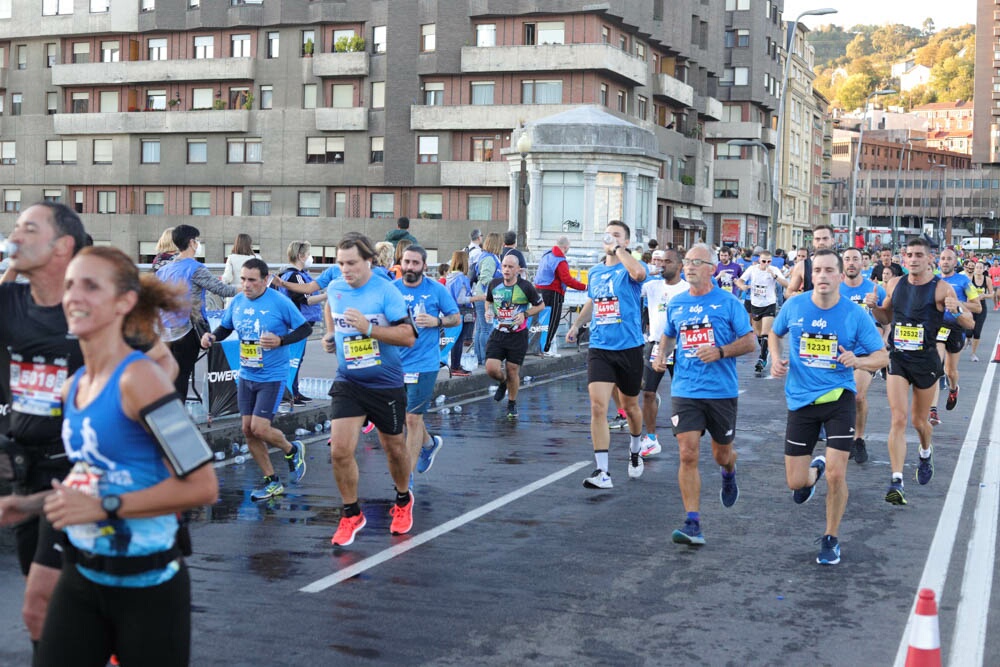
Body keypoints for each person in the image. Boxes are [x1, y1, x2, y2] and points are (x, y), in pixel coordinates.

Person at [0, 203, 179, 659]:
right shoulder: (10, 300)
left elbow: (165, 363)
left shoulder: (93, 307)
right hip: (27, 470)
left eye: (27, 228)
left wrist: (114, 408)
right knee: (42, 607)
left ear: (62, 246)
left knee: (41, 604)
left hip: (82, 471)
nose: (14, 235)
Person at [32, 246, 218, 667]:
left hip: (148, 585)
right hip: (81, 575)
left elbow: (203, 485)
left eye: (91, 286)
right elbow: (99, 468)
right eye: (69, 286)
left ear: (124, 302)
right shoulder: (74, 385)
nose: (74, 296)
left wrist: (103, 506)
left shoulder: (142, 380)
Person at [770, 250, 888, 565]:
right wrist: (774, 356)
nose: (822, 276)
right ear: (812, 276)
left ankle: (831, 538)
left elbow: (882, 356)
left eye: (828, 270)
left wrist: (858, 360)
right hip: (801, 401)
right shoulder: (795, 305)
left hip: (839, 399)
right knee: (796, 483)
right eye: (817, 270)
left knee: (838, 475)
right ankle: (814, 470)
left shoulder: (855, 314)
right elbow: (774, 331)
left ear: (839, 276)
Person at [652, 244, 756, 545]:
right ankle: (693, 522)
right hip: (686, 389)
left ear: (712, 268)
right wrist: (662, 355)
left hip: (721, 391)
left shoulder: (728, 303)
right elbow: (670, 333)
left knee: (721, 454)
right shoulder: (678, 302)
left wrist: (721, 351)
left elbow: (750, 342)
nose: (689, 267)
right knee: (687, 453)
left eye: (696, 262)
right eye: (687, 262)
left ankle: (729, 471)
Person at [323, 233, 416, 547]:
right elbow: (331, 310)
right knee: (339, 451)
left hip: (386, 384)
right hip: (349, 381)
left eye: (351, 263)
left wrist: (369, 329)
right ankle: (351, 514)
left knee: (394, 449)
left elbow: (408, 336)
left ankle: (403, 500)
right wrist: (331, 334)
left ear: (369, 262)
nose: (345, 270)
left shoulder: (386, 291)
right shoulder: (335, 288)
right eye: (340, 263)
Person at [871, 238, 974, 505]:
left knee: (919, 422)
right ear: (904, 259)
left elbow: (969, 322)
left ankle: (926, 452)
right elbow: (886, 318)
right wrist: (874, 307)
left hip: (927, 362)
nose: (913, 259)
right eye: (909, 255)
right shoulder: (895, 284)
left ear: (930, 259)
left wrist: (958, 309)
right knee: (898, 419)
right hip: (899, 359)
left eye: (919, 255)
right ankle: (896, 480)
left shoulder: (942, 288)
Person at [200, 258, 310, 501]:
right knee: (247, 431)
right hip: (247, 373)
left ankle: (292, 450)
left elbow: (305, 329)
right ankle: (272, 481)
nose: (246, 285)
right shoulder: (238, 301)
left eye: (252, 280)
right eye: (243, 279)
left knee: (259, 428)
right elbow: (226, 327)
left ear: (265, 279)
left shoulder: (279, 302)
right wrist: (212, 337)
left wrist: (281, 341)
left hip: (271, 375)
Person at [566, 221, 647, 489]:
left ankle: (635, 450)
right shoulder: (597, 272)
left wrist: (620, 250)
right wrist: (577, 325)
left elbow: (638, 275)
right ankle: (603, 472)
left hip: (629, 347)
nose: (611, 239)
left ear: (626, 241)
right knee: (598, 407)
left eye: (617, 235)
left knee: (631, 406)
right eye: (608, 235)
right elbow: (593, 300)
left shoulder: (630, 267)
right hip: (601, 347)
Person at [392, 245, 460, 472]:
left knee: (412, 419)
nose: (409, 266)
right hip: (395, 364)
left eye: (414, 262)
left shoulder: (435, 290)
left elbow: (456, 318)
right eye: (406, 262)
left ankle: (406, 480)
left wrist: (436, 322)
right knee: (403, 417)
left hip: (424, 364)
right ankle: (429, 444)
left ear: (424, 265)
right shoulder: (390, 289)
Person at [155, 224, 238, 400]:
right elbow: (222, 290)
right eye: (197, 240)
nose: (198, 244)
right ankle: (178, 420)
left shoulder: (163, 270)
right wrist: (248, 288)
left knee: (168, 376)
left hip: (164, 330)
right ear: (192, 242)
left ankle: (165, 417)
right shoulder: (196, 268)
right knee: (182, 376)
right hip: (187, 329)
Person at [839, 248, 887, 464]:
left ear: (863, 264)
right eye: (847, 259)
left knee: (857, 395)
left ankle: (857, 439)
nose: (851, 263)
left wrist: (883, 339)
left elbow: (888, 319)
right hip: (837, 351)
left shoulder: (875, 289)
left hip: (865, 351)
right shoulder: (834, 288)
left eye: (855, 259)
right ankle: (841, 435)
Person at [638, 248, 688, 457]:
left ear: (680, 266)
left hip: (681, 346)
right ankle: (651, 438)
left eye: (668, 261)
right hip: (655, 344)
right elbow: (629, 283)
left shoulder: (687, 289)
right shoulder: (650, 286)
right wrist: (646, 272)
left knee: (682, 395)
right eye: (661, 261)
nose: (663, 265)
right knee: (648, 393)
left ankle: (686, 436)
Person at [485, 253, 544, 419]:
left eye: (510, 267)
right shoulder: (494, 284)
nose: (506, 270)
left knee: (512, 370)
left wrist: (525, 314)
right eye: (504, 266)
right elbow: (488, 300)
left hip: (517, 335)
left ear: (518, 269)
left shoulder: (526, 287)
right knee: (491, 368)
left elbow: (540, 306)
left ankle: (511, 403)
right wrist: (487, 311)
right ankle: (503, 383)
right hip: (498, 333)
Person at [928, 247, 981, 424]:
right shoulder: (932, 279)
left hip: (956, 326)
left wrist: (957, 303)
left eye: (949, 259)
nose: (945, 261)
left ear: (955, 261)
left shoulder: (963, 281)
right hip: (938, 328)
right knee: (936, 366)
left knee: (950, 371)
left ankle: (953, 389)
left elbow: (977, 307)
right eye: (942, 258)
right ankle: (933, 410)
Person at [277, 241, 324, 406]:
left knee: (296, 358)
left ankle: (294, 391)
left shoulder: (296, 274)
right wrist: (327, 295)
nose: (310, 257)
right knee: (293, 359)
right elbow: (306, 300)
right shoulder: (294, 276)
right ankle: (290, 393)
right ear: (301, 256)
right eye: (308, 254)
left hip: (300, 322)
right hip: (297, 323)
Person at [735, 250, 788, 376]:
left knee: (765, 332)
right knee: (758, 332)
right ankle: (766, 349)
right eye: (764, 261)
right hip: (755, 304)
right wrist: (742, 286)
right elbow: (740, 281)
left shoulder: (774, 269)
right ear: (759, 260)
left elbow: (787, 284)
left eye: (769, 261)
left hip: (769, 303)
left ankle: (762, 358)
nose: (766, 264)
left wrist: (775, 276)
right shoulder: (752, 269)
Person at [534, 236, 587, 355]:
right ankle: (546, 349)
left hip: (539, 290)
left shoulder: (546, 255)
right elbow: (567, 280)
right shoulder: (560, 260)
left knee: (540, 322)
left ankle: (537, 347)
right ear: (566, 247)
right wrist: (584, 287)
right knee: (553, 321)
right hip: (553, 292)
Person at [470, 232, 504, 366]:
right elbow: (485, 279)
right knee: (486, 329)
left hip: (481, 295)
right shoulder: (490, 259)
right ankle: (486, 358)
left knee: (480, 329)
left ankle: (480, 358)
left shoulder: (486, 256)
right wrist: (502, 283)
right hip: (485, 297)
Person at [445, 250, 475, 377]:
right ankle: (456, 366)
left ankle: (455, 365)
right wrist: (477, 298)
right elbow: (461, 299)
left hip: (452, 310)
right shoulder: (462, 279)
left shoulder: (450, 277)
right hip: (462, 311)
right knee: (459, 340)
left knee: (456, 339)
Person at [785, 224, 834, 297]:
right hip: (811, 307)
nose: (821, 242)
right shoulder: (802, 266)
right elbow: (789, 292)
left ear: (832, 240)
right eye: (817, 239)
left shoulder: (842, 265)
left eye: (825, 238)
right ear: (813, 241)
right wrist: (796, 296)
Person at [967, 260, 993, 360]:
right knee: (968, 331)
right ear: (974, 269)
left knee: (977, 332)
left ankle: (973, 354)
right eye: (976, 267)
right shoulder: (969, 279)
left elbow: (992, 294)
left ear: (984, 269)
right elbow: (965, 293)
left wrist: (984, 295)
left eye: (980, 268)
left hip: (981, 307)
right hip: (970, 305)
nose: (978, 269)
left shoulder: (987, 280)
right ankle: (968, 338)